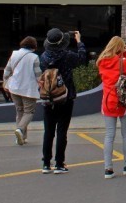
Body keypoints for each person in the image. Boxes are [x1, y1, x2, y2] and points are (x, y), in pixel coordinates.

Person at [40, 28, 87, 174]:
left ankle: (46, 163)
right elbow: (82, 59)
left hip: (48, 97)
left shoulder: (44, 57)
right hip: (66, 96)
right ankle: (59, 163)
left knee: (48, 131)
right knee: (62, 130)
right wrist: (79, 41)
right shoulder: (67, 56)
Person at [97, 36, 126, 179]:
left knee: (109, 135)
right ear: (120, 47)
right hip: (123, 101)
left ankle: (108, 169)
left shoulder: (102, 61)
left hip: (108, 101)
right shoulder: (122, 61)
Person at [3, 36, 42, 146]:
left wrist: (5, 81)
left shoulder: (14, 54)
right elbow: (38, 74)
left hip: (14, 87)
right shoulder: (34, 57)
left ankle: (22, 138)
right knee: (29, 112)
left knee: (20, 111)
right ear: (34, 46)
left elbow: (7, 70)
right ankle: (20, 130)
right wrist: (42, 83)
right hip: (28, 89)